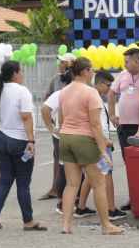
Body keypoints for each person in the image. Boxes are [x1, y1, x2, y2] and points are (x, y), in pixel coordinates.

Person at [58, 57, 124, 235]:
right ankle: (106, 225)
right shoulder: (90, 93)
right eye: (92, 70)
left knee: (72, 184)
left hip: (66, 138)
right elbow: (95, 124)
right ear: (86, 71)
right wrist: (103, 150)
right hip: (83, 139)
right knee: (99, 183)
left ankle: (65, 224)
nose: (93, 73)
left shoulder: (64, 91)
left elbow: (61, 119)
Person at [0, 60, 46, 231]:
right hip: (19, 141)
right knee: (23, 183)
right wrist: (31, 140)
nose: (23, 74)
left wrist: (4, 115)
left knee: (4, 180)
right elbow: (27, 117)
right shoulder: (22, 91)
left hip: (2, 138)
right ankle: (28, 221)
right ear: (14, 74)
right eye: (21, 71)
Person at [41, 74, 95, 220]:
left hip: (68, 135)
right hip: (68, 136)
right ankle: (62, 203)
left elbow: (45, 108)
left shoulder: (66, 93)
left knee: (69, 170)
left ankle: (73, 201)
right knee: (68, 170)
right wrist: (52, 128)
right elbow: (45, 109)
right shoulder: (63, 93)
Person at [75, 69, 126, 220]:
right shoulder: (93, 98)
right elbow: (94, 123)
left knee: (90, 175)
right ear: (99, 83)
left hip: (93, 141)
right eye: (108, 86)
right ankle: (111, 209)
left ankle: (81, 207)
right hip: (99, 142)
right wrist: (104, 140)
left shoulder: (91, 96)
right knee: (107, 174)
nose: (109, 90)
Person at [108, 47, 139, 211]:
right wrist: (112, 114)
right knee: (129, 164)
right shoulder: (123, 75)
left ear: (137, 61)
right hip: (124, 127)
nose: (124, 65)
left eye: (127, 62)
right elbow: (111, 93)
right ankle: (134, 198)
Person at [40, 52, 76, 200]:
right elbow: (46, 99)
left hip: (74, 128)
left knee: (72, 162)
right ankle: (57, 191)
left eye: (63, 62)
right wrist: (51, 124)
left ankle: (72, 195)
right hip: (60, 128)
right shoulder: (55, 79)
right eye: (59, 62)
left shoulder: (78, 80)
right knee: (59, 160)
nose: (60, 64)